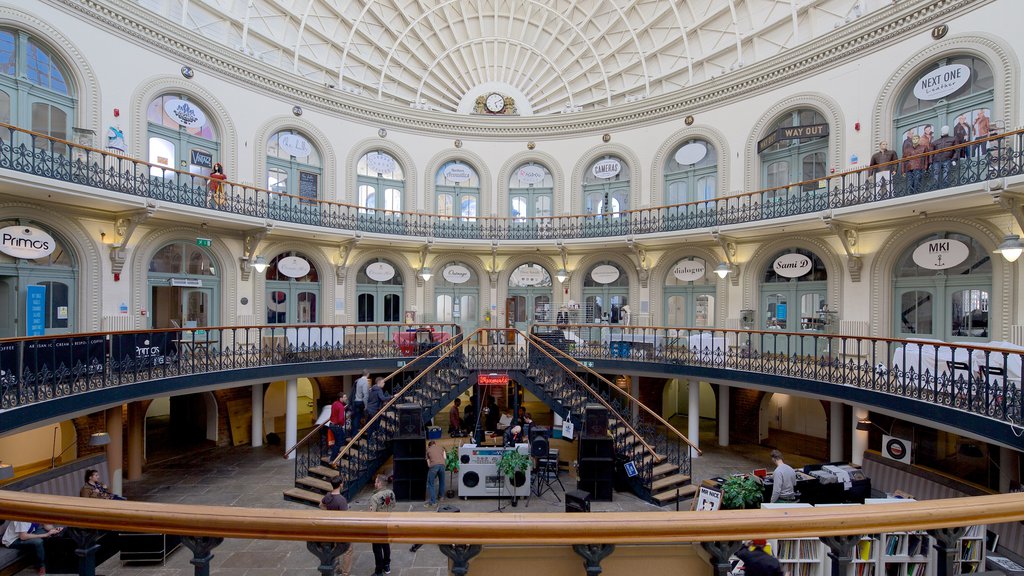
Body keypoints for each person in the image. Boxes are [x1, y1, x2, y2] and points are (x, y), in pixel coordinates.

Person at [319, 476, 354, 576]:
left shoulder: (328, 495)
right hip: (341, 528)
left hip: (331, 527)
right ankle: (345, 572)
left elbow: (321, 505)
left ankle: (337, 567)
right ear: (340, 484)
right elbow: (345, 516)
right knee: (348, 550)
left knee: (335, 547)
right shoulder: (341, 500)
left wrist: (330, 513)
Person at [369, 474, 395, 576]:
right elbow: (394, 505)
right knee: (386, 544)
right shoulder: (391, 493)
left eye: (376, 481)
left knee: (377, 548)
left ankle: (378, 570)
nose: (374, 483)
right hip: (387, 522)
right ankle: (387, 564)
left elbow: (372, 513)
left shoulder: (375, 497)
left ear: (379, 483)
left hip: (377, 525)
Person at [327, 392, 348, 464]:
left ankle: (334, 455)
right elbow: (340, 419)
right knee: (339, 443)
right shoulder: (341, 406)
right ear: (341, 398)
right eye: (345, 397)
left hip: (331, 425)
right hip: (337, 426)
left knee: (339, 441)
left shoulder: (334, 403)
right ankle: (333, 459)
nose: (346, 398)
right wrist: (342, 424)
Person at [424, 440, 445, 507]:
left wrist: (431, 468)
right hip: (442, 465)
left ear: (429, 445)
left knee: (430, 483)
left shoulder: (428, 449)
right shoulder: (441, 447)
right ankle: (441, 497)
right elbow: (445, 457)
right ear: (435, 444)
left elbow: (428, 463)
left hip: (434, 466)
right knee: (442, 481)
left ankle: (433, 502)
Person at [352, 370, 369, 434]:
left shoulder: (358, 380)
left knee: (356, 418)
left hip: (356, 401)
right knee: (366, 415)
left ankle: (354, 434)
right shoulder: (365, 381)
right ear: (367, 374)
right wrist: (366, 405)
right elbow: (365, 394)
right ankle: (366, 431)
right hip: (361, 402)